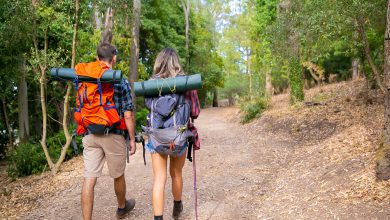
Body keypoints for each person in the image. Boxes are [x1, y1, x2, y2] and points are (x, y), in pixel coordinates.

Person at [76, 43, 137, 220]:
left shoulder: (85, 78)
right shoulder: (119, 79)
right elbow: (127, 114)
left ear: (97, 58)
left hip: (90, 134)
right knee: (117, 174)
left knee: (89, 178)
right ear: (114, 58)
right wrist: (132, 139)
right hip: (113, 134)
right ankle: (121, 208)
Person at [144, 48, 200, 220]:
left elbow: (148, 106)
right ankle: (177, 205)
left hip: (157, 137)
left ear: (158, 62)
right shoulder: (187, 83)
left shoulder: (150, 84)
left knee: (159, 178)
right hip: (179, 136)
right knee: (176, 173)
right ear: (177, 62)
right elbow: (195, 112)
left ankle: (158, 218)